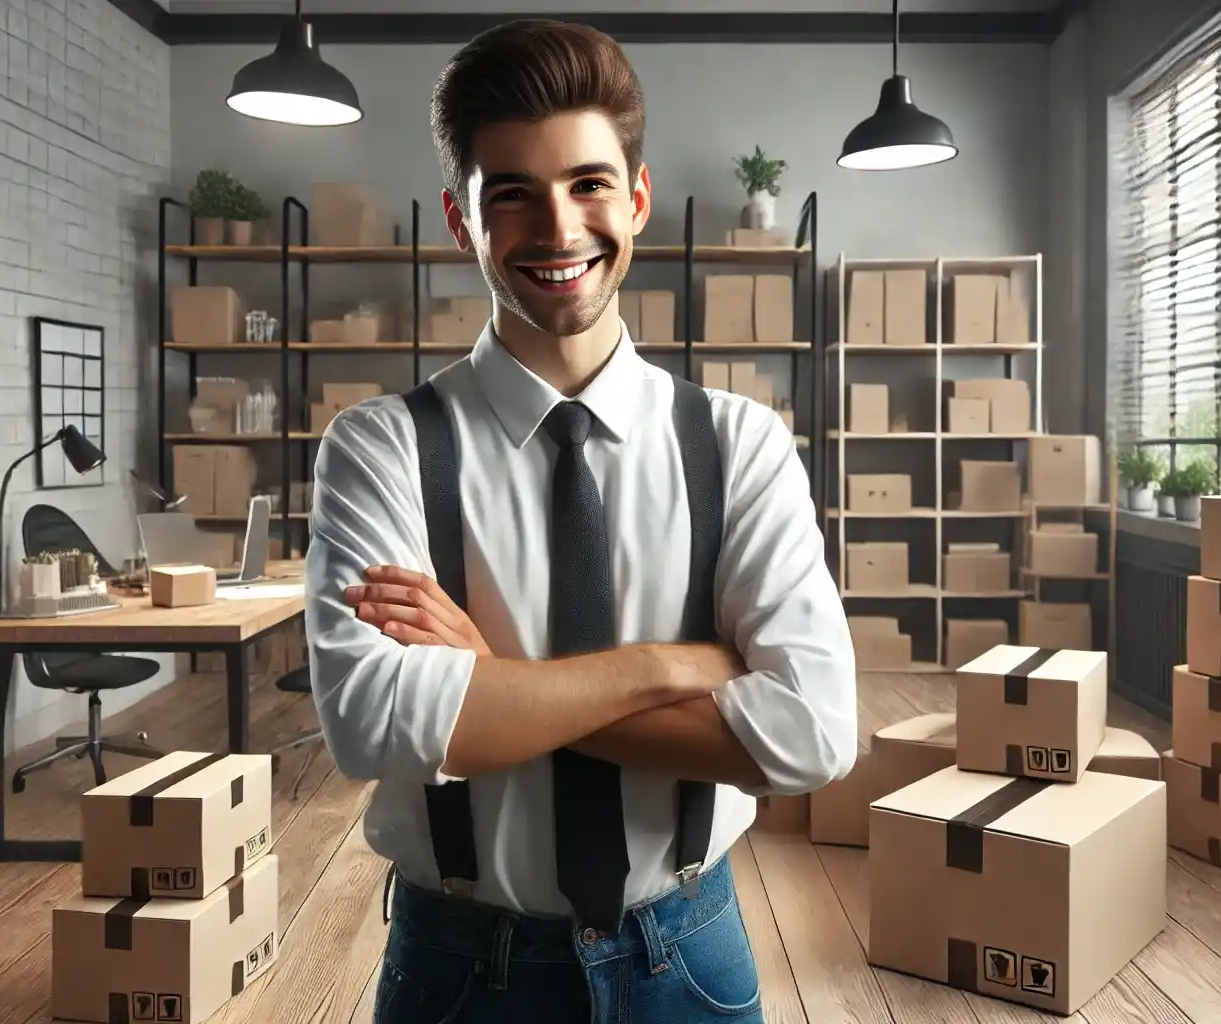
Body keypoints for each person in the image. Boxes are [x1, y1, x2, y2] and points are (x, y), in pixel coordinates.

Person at [302, 18, 858, 1024]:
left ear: (636, 200)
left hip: (687, 951)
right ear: (460, 222)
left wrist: (492, 690)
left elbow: (811, 735)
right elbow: (372, 725)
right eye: (510, 192)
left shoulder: (740, 445)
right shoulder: (377, 449)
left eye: (588, 184)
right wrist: (672, 663)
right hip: (462, 967)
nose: (557, 229)